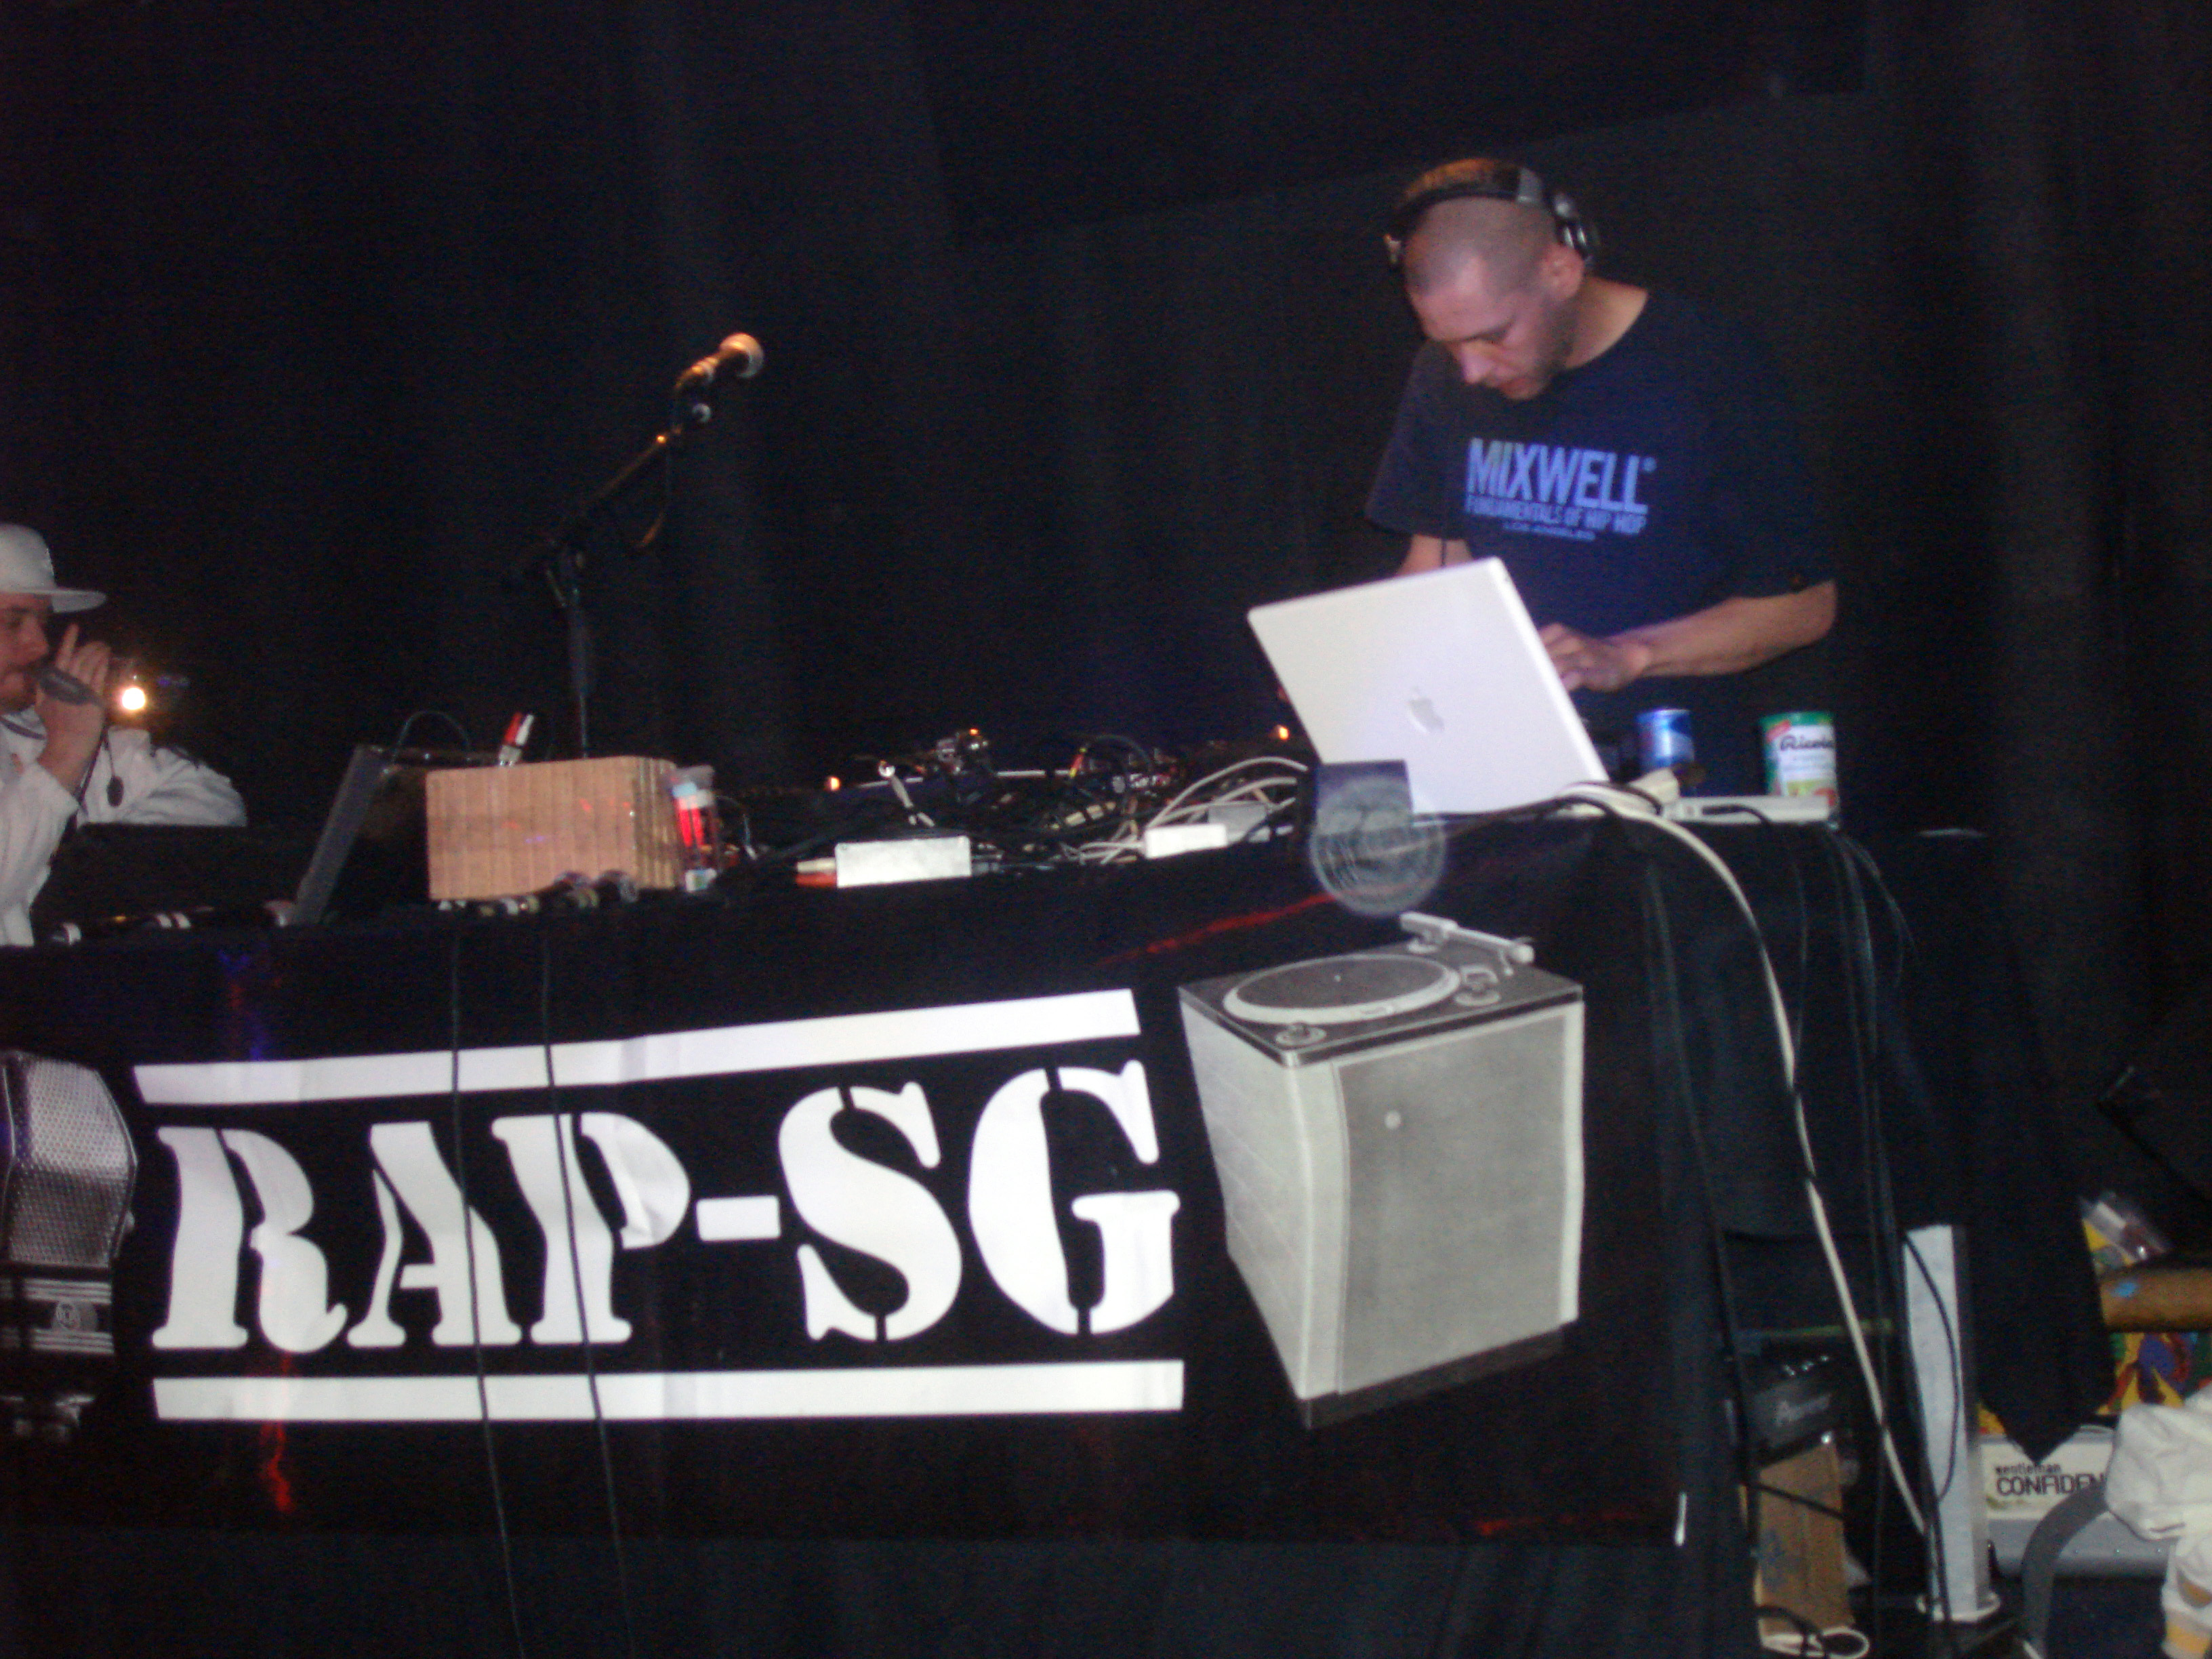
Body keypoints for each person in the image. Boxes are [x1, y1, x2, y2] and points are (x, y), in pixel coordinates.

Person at [1366, 157, 1837, 792]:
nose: (1471, 372)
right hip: (1505, 779)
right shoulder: (1441, 378)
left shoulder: (1709, 366)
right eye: (1448, 344)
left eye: (1492, 337)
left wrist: (1630, 655)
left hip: (1677, 785)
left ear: (1562, 269)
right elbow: (1435, 567)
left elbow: (1804, 608)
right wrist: (1364, 663)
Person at [0, 523, 244, 944]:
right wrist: (64, 755)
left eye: (42, 622)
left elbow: (213, 800)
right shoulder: (64, 742)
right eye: (12, 622)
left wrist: (97, 859)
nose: (39, 646)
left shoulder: (45, 731)